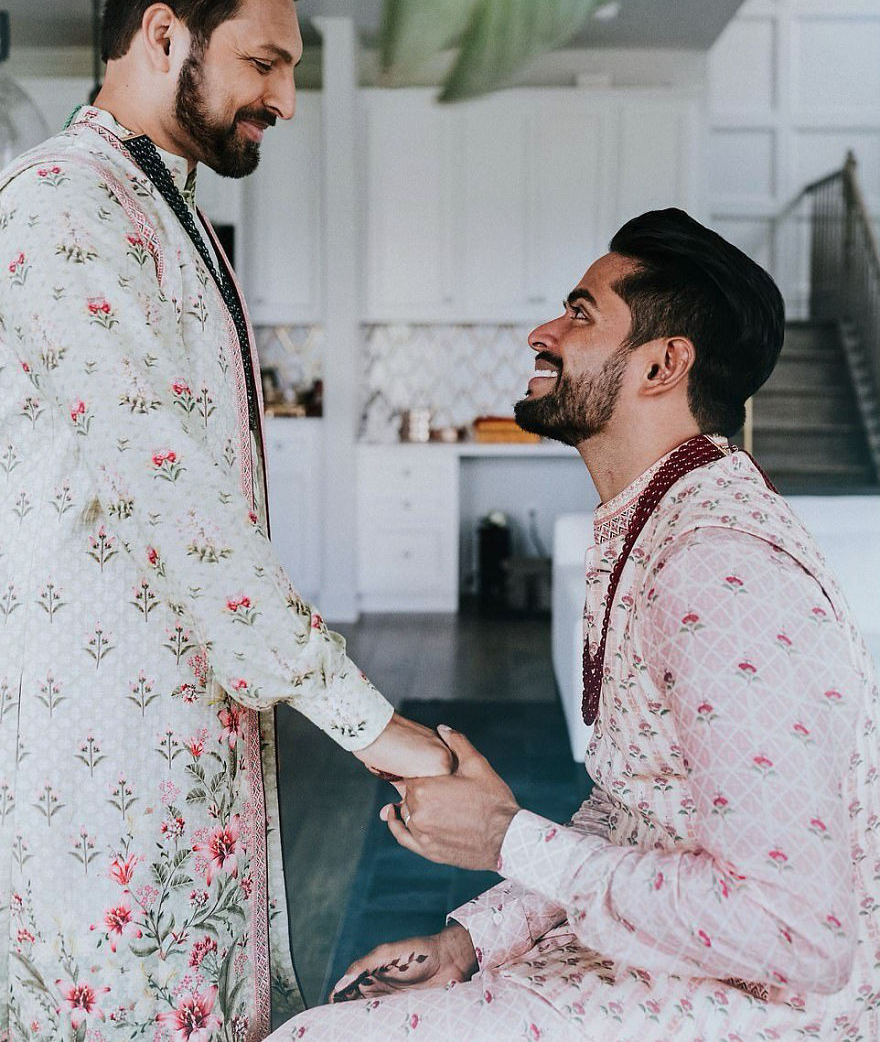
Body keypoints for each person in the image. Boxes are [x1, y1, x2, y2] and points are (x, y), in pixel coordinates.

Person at [0, 0, 450, 1039]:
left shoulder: (173, 213)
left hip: (188, 744)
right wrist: (375, 727)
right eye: (263, 61)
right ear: (164, 35)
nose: (284, 99)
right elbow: (177, 498)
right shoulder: (63, 205)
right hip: (101, 759)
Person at [284, 210, 880, 1041]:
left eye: (580, 311)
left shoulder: (720, 566)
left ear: (664, 364)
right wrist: (468, 940)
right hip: (658, 973)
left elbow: (799, 932)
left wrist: (504, 835)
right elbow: (640, 810)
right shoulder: (653, 520)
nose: (543, 331)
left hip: (766, 1012)